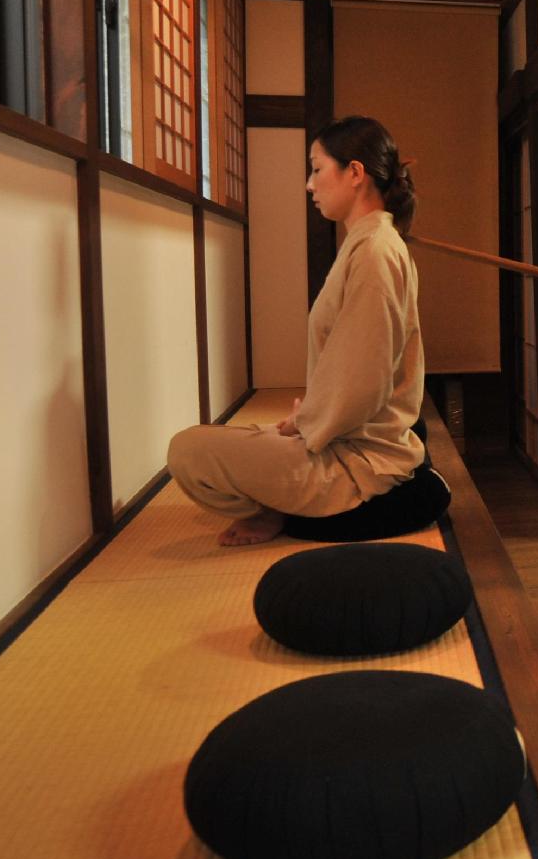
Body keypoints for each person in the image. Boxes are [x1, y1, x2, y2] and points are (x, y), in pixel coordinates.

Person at [168, 116, 426, 547]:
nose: (310, 184)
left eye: (317, 168)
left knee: (189, 451)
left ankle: (278, 511)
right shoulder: (367, 243)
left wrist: (306, 422)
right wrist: (305, 417)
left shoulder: (376, 250)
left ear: (355, 173)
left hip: (361, 463)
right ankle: (280, 504)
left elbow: (366, 380)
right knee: (235, 440)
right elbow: (352, 369)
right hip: (339, 435)